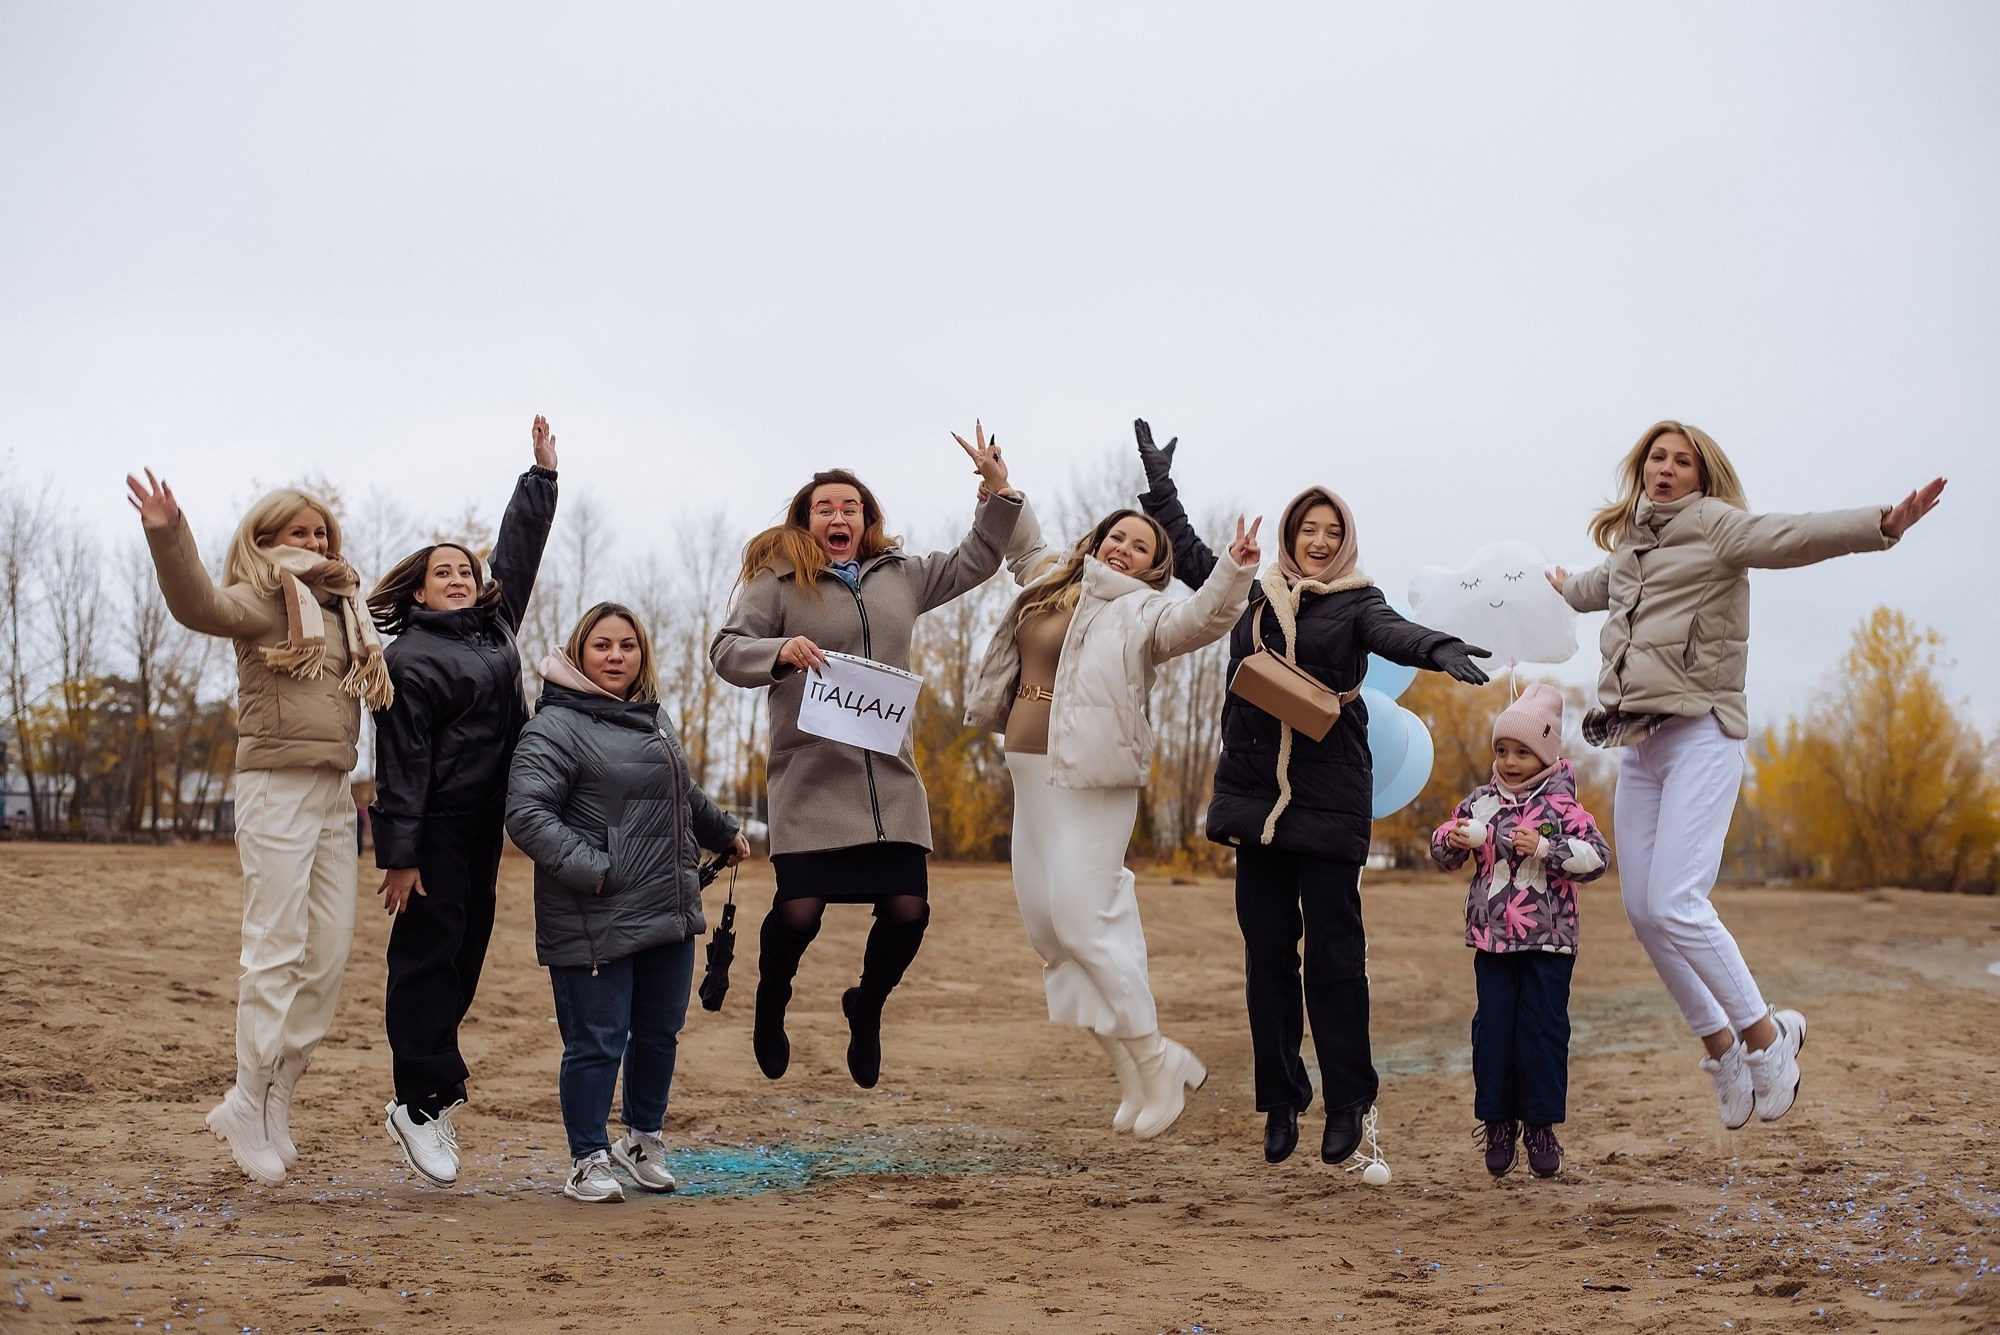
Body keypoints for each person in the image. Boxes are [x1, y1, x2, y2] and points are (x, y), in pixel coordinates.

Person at [1551, 420, 1945, 1129]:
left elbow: (1792, 536)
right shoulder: (1629, 547)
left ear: (1702, 475)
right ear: (1640, 468)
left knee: (1676, 898)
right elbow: (1585, 590)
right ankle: (1724, 1052)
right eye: (1656, 458)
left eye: (1681, 460)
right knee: (1644, 911)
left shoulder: (1717, 527)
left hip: (1702, 730)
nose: (1666, 468)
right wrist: (1541, 583)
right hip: (1639, 742)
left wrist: (1882, 523)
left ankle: (1771, 1040)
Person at [1133, 419, 1492, 1171]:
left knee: (1335, 956)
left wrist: (1439, 648)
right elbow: (1196, 561)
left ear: (1345, 539)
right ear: (1291, 533)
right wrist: (1162, 489)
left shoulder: (1358, 601)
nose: (1320, 541)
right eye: (1309, 528)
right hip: (1257, 798)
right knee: (1267, 956)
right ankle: (1281, 1098)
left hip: (1328, 798)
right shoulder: (1254, 593)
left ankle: (1349, 1098)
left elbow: (1394, 632)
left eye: (1333, 531)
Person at [710, 427, 1025, 1089]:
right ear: (806, 520)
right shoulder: (778, 583)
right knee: (800, 911)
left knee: (909, 909)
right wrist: (779, 651)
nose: (837, 515)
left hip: (890, 780)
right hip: (812, 778)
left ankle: (868, 1004)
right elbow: (726, 649)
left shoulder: (902, 577)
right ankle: (773, 999)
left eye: (849, 507)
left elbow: (978, 557)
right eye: (824, 507)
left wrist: (997, 489)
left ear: (867, 519)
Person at [126, 469, 395, 1186]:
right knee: (275, 947)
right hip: (274, 787)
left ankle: (276, 1096)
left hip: (337, 792)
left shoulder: (344, 608)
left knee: (330, 952)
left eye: (321, 532)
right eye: (299, 532)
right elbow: (196, 604)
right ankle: (245, 1099)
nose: (314, 541)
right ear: (266, 539)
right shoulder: (264, 597)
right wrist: (166, 531)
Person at [965, 505, 1259, 1139]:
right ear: (1097, 541)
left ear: (1155, 567)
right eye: (1116, 537)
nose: (1124, 548)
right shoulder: (1051, 581)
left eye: (1140, 546)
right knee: (1052, 935)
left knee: (1083, 922)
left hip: (1090, 784)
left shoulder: (1140, 612)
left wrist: (1233, 569)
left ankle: (1160, 1059)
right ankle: (1132, 1073)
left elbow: (1199, 618)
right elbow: (1025, 545)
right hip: (1029, 776)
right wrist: (1000, 489)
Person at [365, 415, 560, 1189]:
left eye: (466, 570)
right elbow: (401, 763)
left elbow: (518, 553)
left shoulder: (492, 630)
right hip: (436, 829)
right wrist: (400, 856)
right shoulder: (409, 658)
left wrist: (540, 478)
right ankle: (418, 1101)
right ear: (418, 587)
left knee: (465, 955)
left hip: (485, 827)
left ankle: (431, 1092)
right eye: (442, 571)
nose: (460, 577)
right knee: (426, 962)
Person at [506, 603, 749, 1203]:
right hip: (596, 910)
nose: (616, 657)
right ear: (578, 655)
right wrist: (597, 873)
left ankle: (642, 1140)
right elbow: (527, 815)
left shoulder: (653, 720)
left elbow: (679, 792)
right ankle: (587, 1158)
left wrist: (722, 831)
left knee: (659, 1031)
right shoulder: (554, 727)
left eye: (627, 646)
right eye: (602, 646)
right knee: (596, 1040)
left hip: (667, 906)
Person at [1429, 683, 1610, 1179]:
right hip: (1493, 939)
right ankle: (1497, 1122)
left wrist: (1547, 849)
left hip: (1550, 941)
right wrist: (1451, 836)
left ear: (1546, 754)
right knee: (1493, 1030)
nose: (1509, 761)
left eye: (1522, 752)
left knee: (1543, 1030)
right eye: (1502, 750)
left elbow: (1598, 859)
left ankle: (1541, 1125)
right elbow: (1443, 851)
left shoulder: (1563, 810)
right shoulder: (1481, 803)